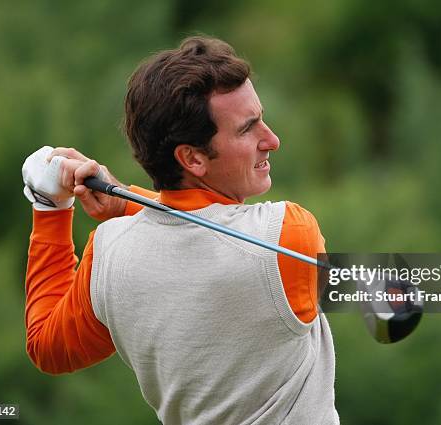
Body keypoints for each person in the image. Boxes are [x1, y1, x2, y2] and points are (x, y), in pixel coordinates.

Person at [23, 36, 339, 424]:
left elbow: (46, 346)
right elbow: (365, 289)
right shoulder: (286, 234)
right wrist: (128, 201)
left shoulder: (110, 255)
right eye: (247, 129)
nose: (271, 140)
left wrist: (51, 207)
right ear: (192, 158)